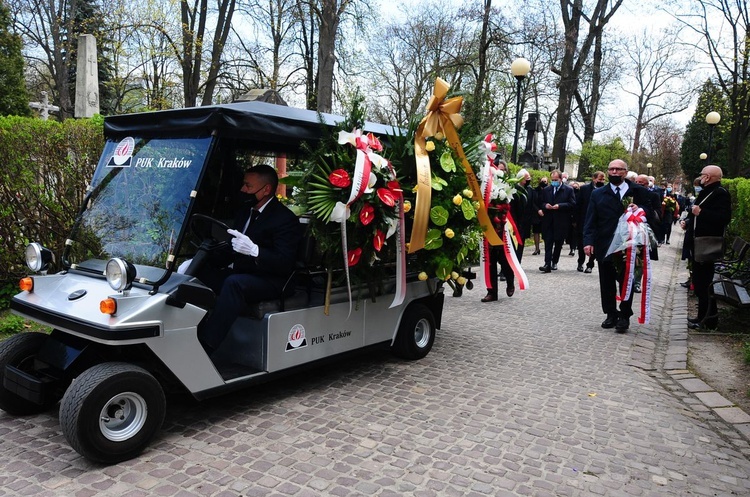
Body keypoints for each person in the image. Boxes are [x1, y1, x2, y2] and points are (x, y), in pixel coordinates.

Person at [197, 164, 302, 355]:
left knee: (234, 283)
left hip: (273, 279)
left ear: (266, 190)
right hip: (244, 273)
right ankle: (187, 330)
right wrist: (201, 260)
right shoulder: (246, 211)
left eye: (248, 186)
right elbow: (232, 248)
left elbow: (284, 262)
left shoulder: (284, 219)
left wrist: (256, 251)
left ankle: (206, 345)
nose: (242, 190)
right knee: (198, 273)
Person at [583, 159, 652, 333]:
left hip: (629, 244)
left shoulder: (638, 191)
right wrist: (588, 241)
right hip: (605, 242)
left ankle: (624, 315)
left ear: (625, 172)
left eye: (618, 169)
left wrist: (641, 209)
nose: (614, 172)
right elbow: (590, 219)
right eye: (611, 169)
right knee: (606, 281)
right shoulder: (598, 194)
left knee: (626, 279)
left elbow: (653, 211)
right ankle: (610, 313)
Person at [685, 165, 732, 330]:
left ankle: (708, 320)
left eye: (703, 174)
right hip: (698, 243)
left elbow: (723, 218)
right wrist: (689, 221)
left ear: (709, 177)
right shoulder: (708, 191)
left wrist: (701, 212)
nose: (701, 177)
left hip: (707, 245)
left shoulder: (720, 193)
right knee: (700, 284)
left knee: (703, 284)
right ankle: (704, 317)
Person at [539, 169, 576, 273]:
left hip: (561, 221)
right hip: (549, 220)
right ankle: (547, 263)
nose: (554, 181)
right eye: (552, 179)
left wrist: (560, 206)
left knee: (558, 243)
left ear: (561, 179)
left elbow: (572, 204)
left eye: (556, 179)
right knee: (548, 242)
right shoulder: (547, 189)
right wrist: (545, 206)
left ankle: (554, 261)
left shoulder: (568, 190)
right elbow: (541, 202)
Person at [575, 171, 605, 273]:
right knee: (581, 243)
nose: (601, 181)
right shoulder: (584, 189)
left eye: (603, 180)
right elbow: (578, 205)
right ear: (594, 179)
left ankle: (590, 264)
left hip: (598, 222)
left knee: (594, 244)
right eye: (599, 179)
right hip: (584, 220)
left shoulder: (605, 190)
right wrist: (575, 220)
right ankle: (580, 262)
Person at [530, 177, 548, 255]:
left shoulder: (549, 190)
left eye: (545, 181)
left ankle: (547, 248)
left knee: (546, 232)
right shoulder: (535, 191)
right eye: (542, 181)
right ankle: (537, 248)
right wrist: (538, 210)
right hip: (536, 214)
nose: (543, 182)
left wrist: (543, 210)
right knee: (536, 232)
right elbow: (532, 202)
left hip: (545, 213)